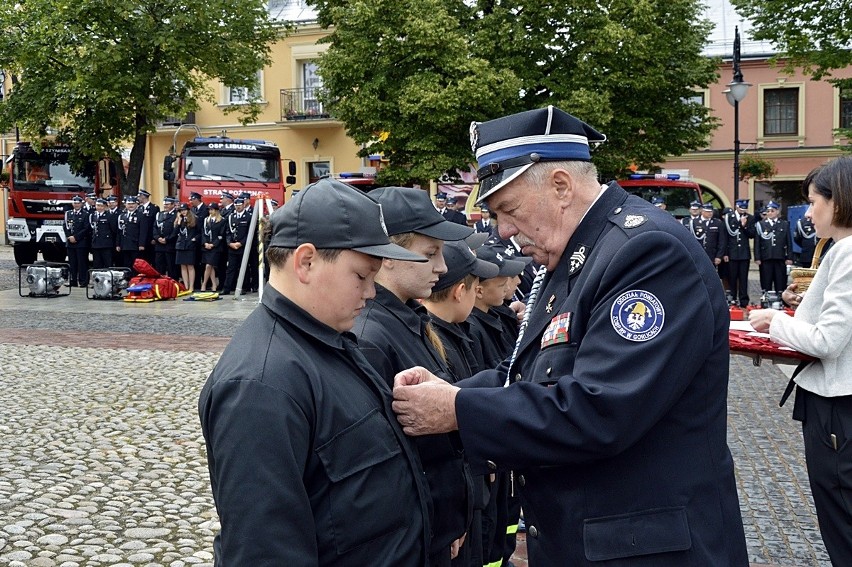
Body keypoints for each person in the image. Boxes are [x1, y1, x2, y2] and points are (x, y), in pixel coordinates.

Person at [392, 106, 748, 565]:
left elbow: (602, 408)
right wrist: (451, 393)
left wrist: (456, 409)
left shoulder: (645, 251)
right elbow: (531, 368)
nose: (503, 230)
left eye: (510, 209)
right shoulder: (579, 253)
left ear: (561, 185)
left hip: (646, 548)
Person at [199, 178, 432, 565]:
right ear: (306, 262)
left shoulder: (327, 339)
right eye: (361, 276)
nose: (371, 292)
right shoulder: (261, 384)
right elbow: (265, 550)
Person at [352, 186, 475, 567]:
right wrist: (438, 523)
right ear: (388, 256)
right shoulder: (372, 334)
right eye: (429, 254)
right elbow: (393, 459)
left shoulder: (407, 318)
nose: (441, 267)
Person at [748, 156, 852, 565]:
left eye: (813, 202)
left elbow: (828, 341)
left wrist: (774, 320)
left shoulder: (846, 251)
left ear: (838, 202)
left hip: (836, 407)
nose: (808, 213)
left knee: (841, 520)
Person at [754, 200, 793, 293]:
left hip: (780, 257)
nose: (770, 213)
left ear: (777, 211)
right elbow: (757, 242)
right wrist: (757, 257)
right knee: (766, 281)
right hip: (766, 257)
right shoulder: (761, 225)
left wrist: (790, 257)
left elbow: (789, 242)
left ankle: (781, 300)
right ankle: (766, 299)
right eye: (768, 211)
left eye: (772, 211)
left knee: (780, 282)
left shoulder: (784, 224)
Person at [724, 198, 756, 307]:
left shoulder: (750, 218)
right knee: (732, 277)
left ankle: (743, 300)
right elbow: (725, 237)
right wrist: (725, 253)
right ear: (737, 207)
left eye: (745, 208)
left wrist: (744, 225)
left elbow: (752, 234)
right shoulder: (729, 217)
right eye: (741, 208)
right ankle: (732, 298)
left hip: (744, 253)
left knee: (743, 278)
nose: (743, 210)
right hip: (732, 252)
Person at [64, 195, 91, 287]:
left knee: (82, 263)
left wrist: (76, 237)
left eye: (78, 203)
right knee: (72, 263)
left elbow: (86, 228)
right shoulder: (68, 213)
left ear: (81, 204)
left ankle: (83, 281)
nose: (76, 205)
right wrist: (69, 237)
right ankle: (73, 281)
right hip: (70, 242)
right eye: (75, 203)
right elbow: (65, 226)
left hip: (81, 242)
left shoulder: (86, 214)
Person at [201, 202, 226, 292]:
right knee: (209, 266)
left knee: (209, 265)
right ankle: (214, 284)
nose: (210, 211)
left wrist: (213, 244)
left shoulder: (222, 220)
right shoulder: (206, 220)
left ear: (216, 210)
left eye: (212, 210)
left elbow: (221, 235)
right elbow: (203, 233)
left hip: (215, 247)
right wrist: (205, 243)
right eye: (209, 210)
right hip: (206, 246)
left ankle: (204, 283)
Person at [175, 203, 199, 290]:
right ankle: (186, 285)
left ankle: (191, 286)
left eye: (184, 210)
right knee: (183, 266)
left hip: (190, 245)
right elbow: (175, 232)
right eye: (181, 210)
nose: (183, 212)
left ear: (188, 210)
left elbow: (199, 232)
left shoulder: (194, 219)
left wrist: (194, 239)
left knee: (190, 266)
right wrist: (178, 222)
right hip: (181, 245)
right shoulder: (179, 220)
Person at [154, 197, 179, 279]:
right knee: (159, 267)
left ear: (173, 205)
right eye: (164, 204)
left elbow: (176, 230)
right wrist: (157, 238)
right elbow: (155, 228)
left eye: (167, 204)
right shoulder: (159, 214)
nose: (165, 206)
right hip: (159, 246)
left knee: (172, 267)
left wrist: (167, 239)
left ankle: (173, 285)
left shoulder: (177, 215)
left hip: (170, 245)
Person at [90, 198, 117, 270]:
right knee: (97, 264)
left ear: (105, 207)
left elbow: (113, 230)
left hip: (106, 244)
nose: (99, 207)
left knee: (108, 263)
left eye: (101, 206)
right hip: (96, 243)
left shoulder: (109, 216)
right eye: (98, 205)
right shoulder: (93, 215)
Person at [136, 189, 160, 265]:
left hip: (150, 238)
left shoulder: (154, 208)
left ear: (143, 197)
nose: (138, 198)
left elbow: (155, 223)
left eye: (139, 196)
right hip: (140, 238)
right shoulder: (139, 208)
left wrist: (154, 238)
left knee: (150, 259)